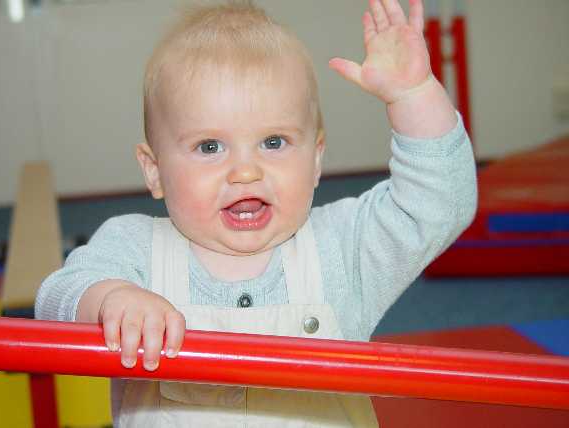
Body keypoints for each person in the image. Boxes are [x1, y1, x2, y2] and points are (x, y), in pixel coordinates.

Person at [35, 0, 477, 426]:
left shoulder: (342, 248)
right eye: (210, 146)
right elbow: (54, 301)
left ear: (316, 159)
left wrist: (414, 96)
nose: (245, 171)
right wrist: (110, 299)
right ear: (155, 171)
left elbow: (438, 204)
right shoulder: (133, 250)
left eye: (273, 142)